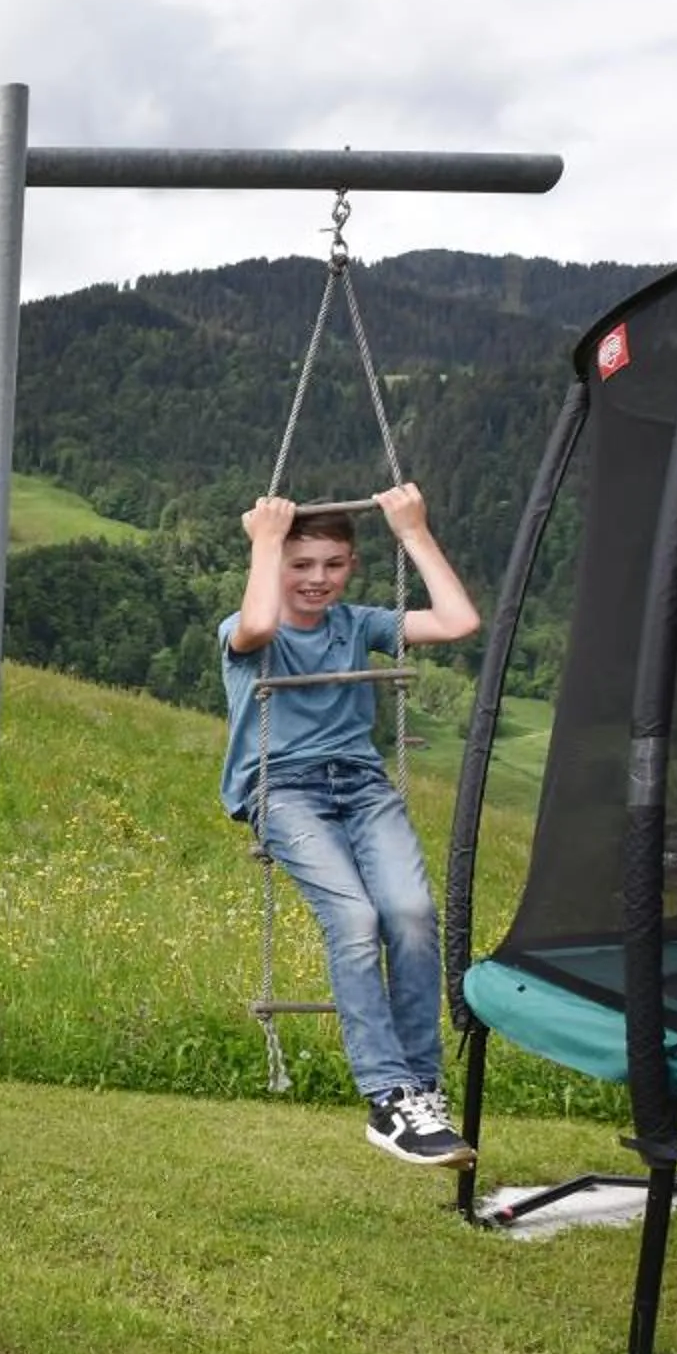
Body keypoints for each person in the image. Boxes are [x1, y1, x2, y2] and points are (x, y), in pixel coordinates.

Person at [220, 482, 481, 1166]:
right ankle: (389, 1097)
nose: (316, 579)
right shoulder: (246, 629)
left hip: (361, 788)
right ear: (276, 565)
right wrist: (265, 541)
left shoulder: (356, 624)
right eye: (301, 565)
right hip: (283, 792)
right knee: (357, 921)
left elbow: (457, 623)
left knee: (412, 913)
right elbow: (256, 627)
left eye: (332, 565)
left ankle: (421, 1091)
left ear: (351, 567)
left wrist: (414, 533)